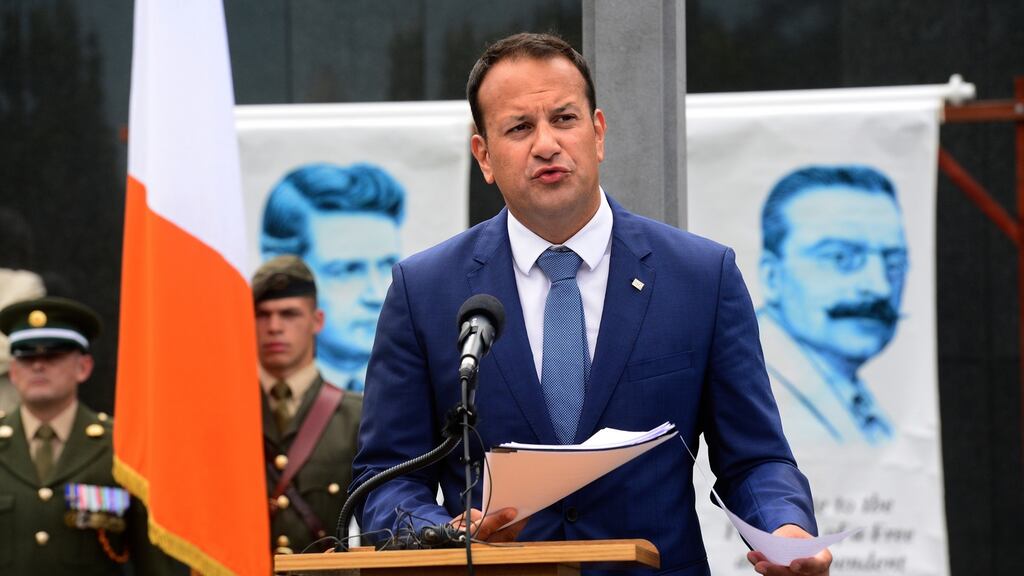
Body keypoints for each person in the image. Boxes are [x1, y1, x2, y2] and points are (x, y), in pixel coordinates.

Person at [353, 33, 830, 575]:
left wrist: (786, 529)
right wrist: (446, 532)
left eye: (564, 119)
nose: (547, 144)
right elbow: (386, 482)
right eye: (519, 127)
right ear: (484, 156)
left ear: (598, 133)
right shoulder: (425, 291)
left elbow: (755, 458)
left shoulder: (700, 277)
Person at [0, 296, 184, 575]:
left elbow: (153, 562)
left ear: (83, 367)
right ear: (13, 372)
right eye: (27, 357)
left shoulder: (121, 448)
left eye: (52, 355)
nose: (38, 366)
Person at [757, 166, 907, 446]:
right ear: (772, 276)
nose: (880, 287)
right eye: (840, 257)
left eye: (893, 263)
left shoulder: (856, 397)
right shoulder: (749, 389)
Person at [261, 162, 405, 392]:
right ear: (280, 269)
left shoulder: (426, 387)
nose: (378, 295)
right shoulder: (244, 396)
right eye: (348, 270)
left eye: (387, 266)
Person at [253, 255, 363, 555]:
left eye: (289, 314)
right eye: (263, 315)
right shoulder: (226, 416)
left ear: (317, 321)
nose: (274, 327)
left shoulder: (357, 417)